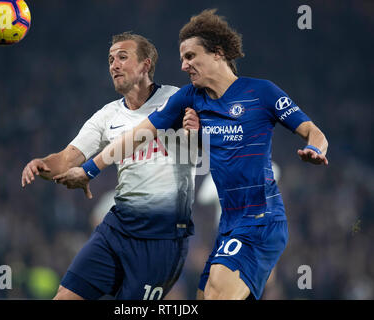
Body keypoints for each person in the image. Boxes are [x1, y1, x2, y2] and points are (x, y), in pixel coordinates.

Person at [54, 9, 329, 300]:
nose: (184, 66)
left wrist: (314, 149)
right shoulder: (189, 97)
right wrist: (89, 169)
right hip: (229, 225)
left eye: (190, 57)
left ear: (218, 53)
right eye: (182, 58)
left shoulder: (262, 93)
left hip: (261, 219)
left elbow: (315, 132)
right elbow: (137, 135)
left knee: (215, 296)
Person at [21, 32, 196, 300]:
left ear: (145, 64)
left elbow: (203, 142)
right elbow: (67, 158)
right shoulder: (107, 116)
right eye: (110, 59)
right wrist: (42, 164)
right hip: (117, 229)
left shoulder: (178, 100)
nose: (114, 64)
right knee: (65, 297)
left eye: (122, 57)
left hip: (163, 238)